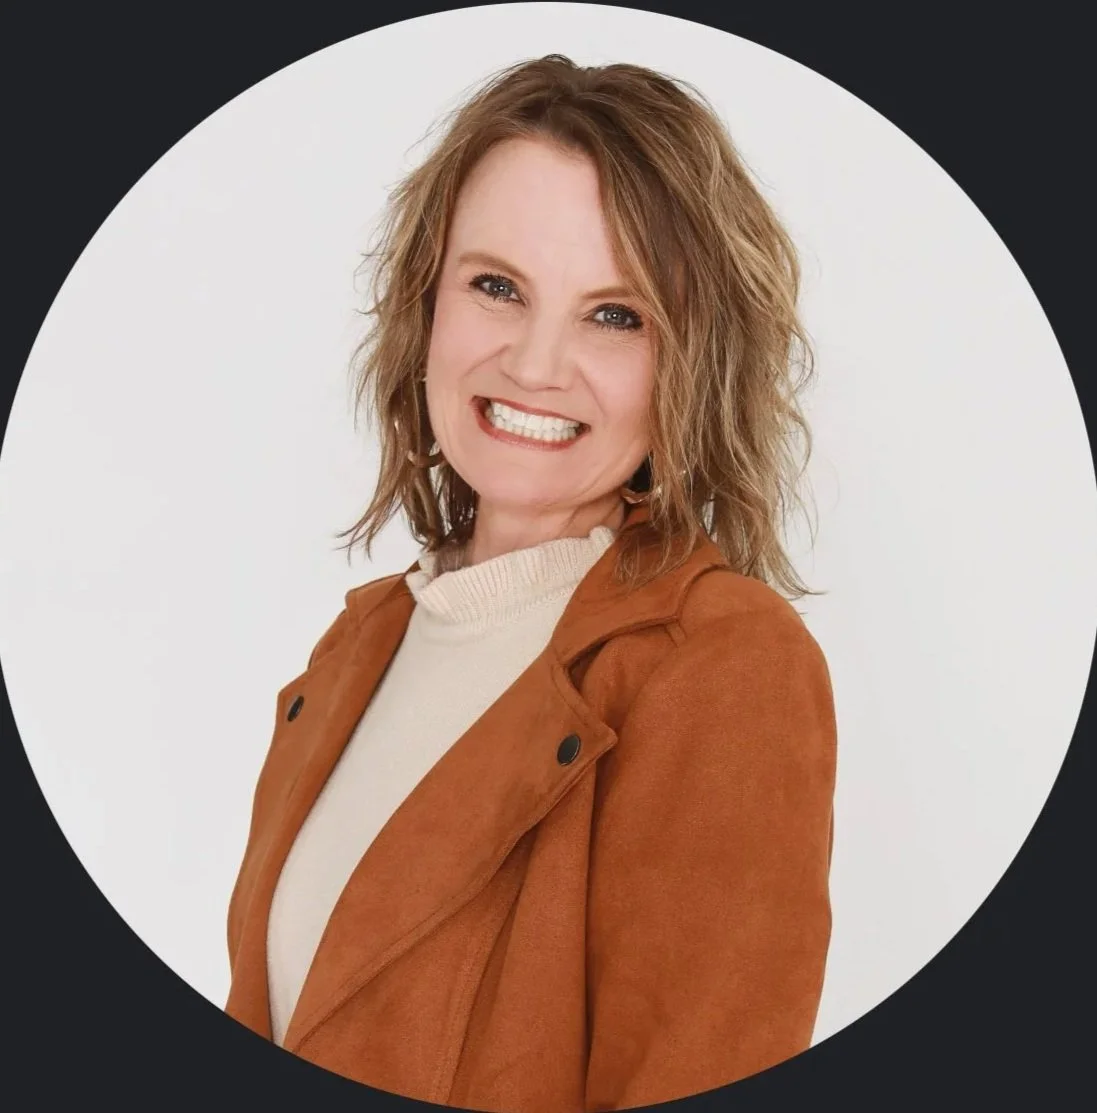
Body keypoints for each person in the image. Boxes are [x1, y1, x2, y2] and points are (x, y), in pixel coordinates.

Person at [224, 54, 837, 1112]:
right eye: (496, 286)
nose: (534, 363)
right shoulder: (360, 645)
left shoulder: (719, 664)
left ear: (689, 362)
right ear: (427, 303)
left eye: (615, 314)